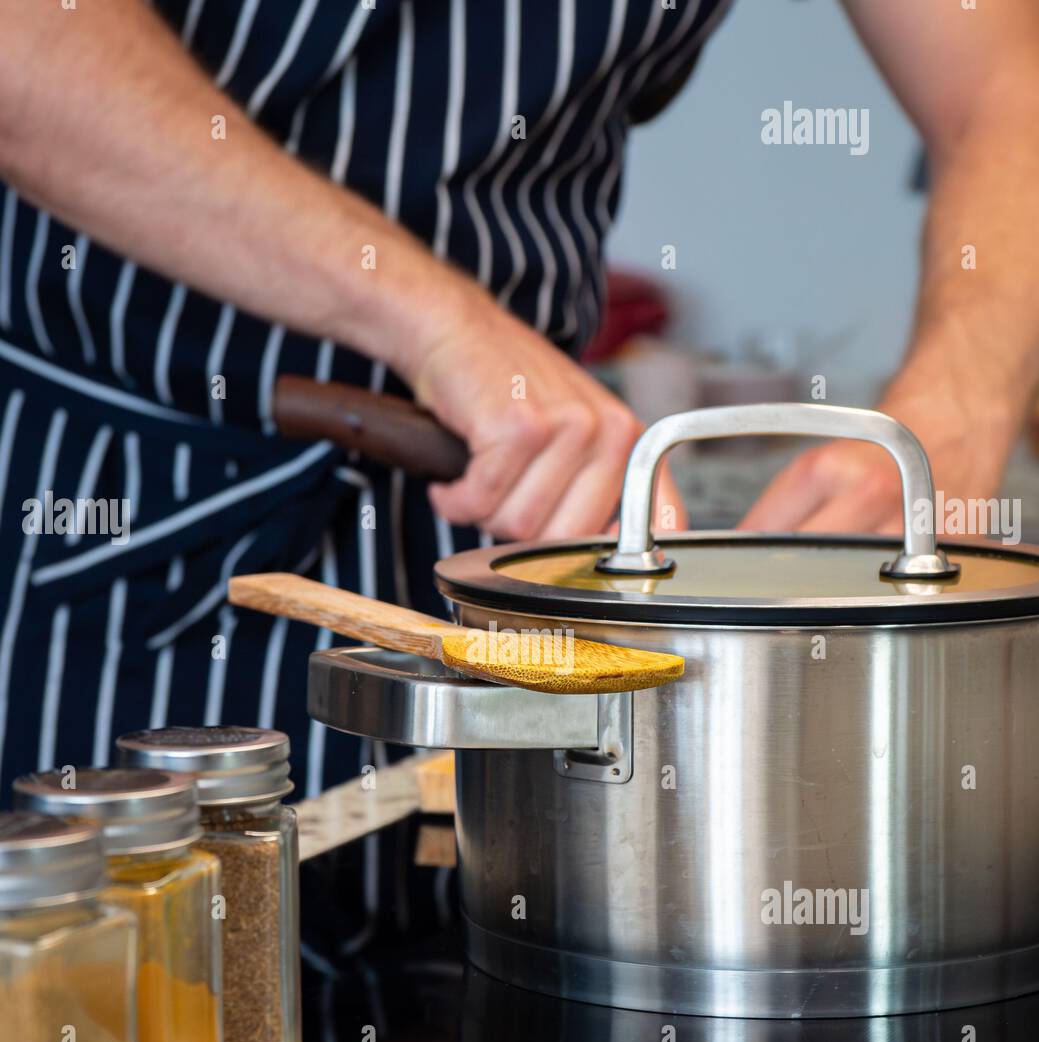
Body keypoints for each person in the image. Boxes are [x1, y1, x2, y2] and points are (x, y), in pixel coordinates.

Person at [0, 0, 1037, 803]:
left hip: (520, 532)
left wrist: (947, 422)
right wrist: (437, 322)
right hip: (109, 522)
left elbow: (1001, 89)